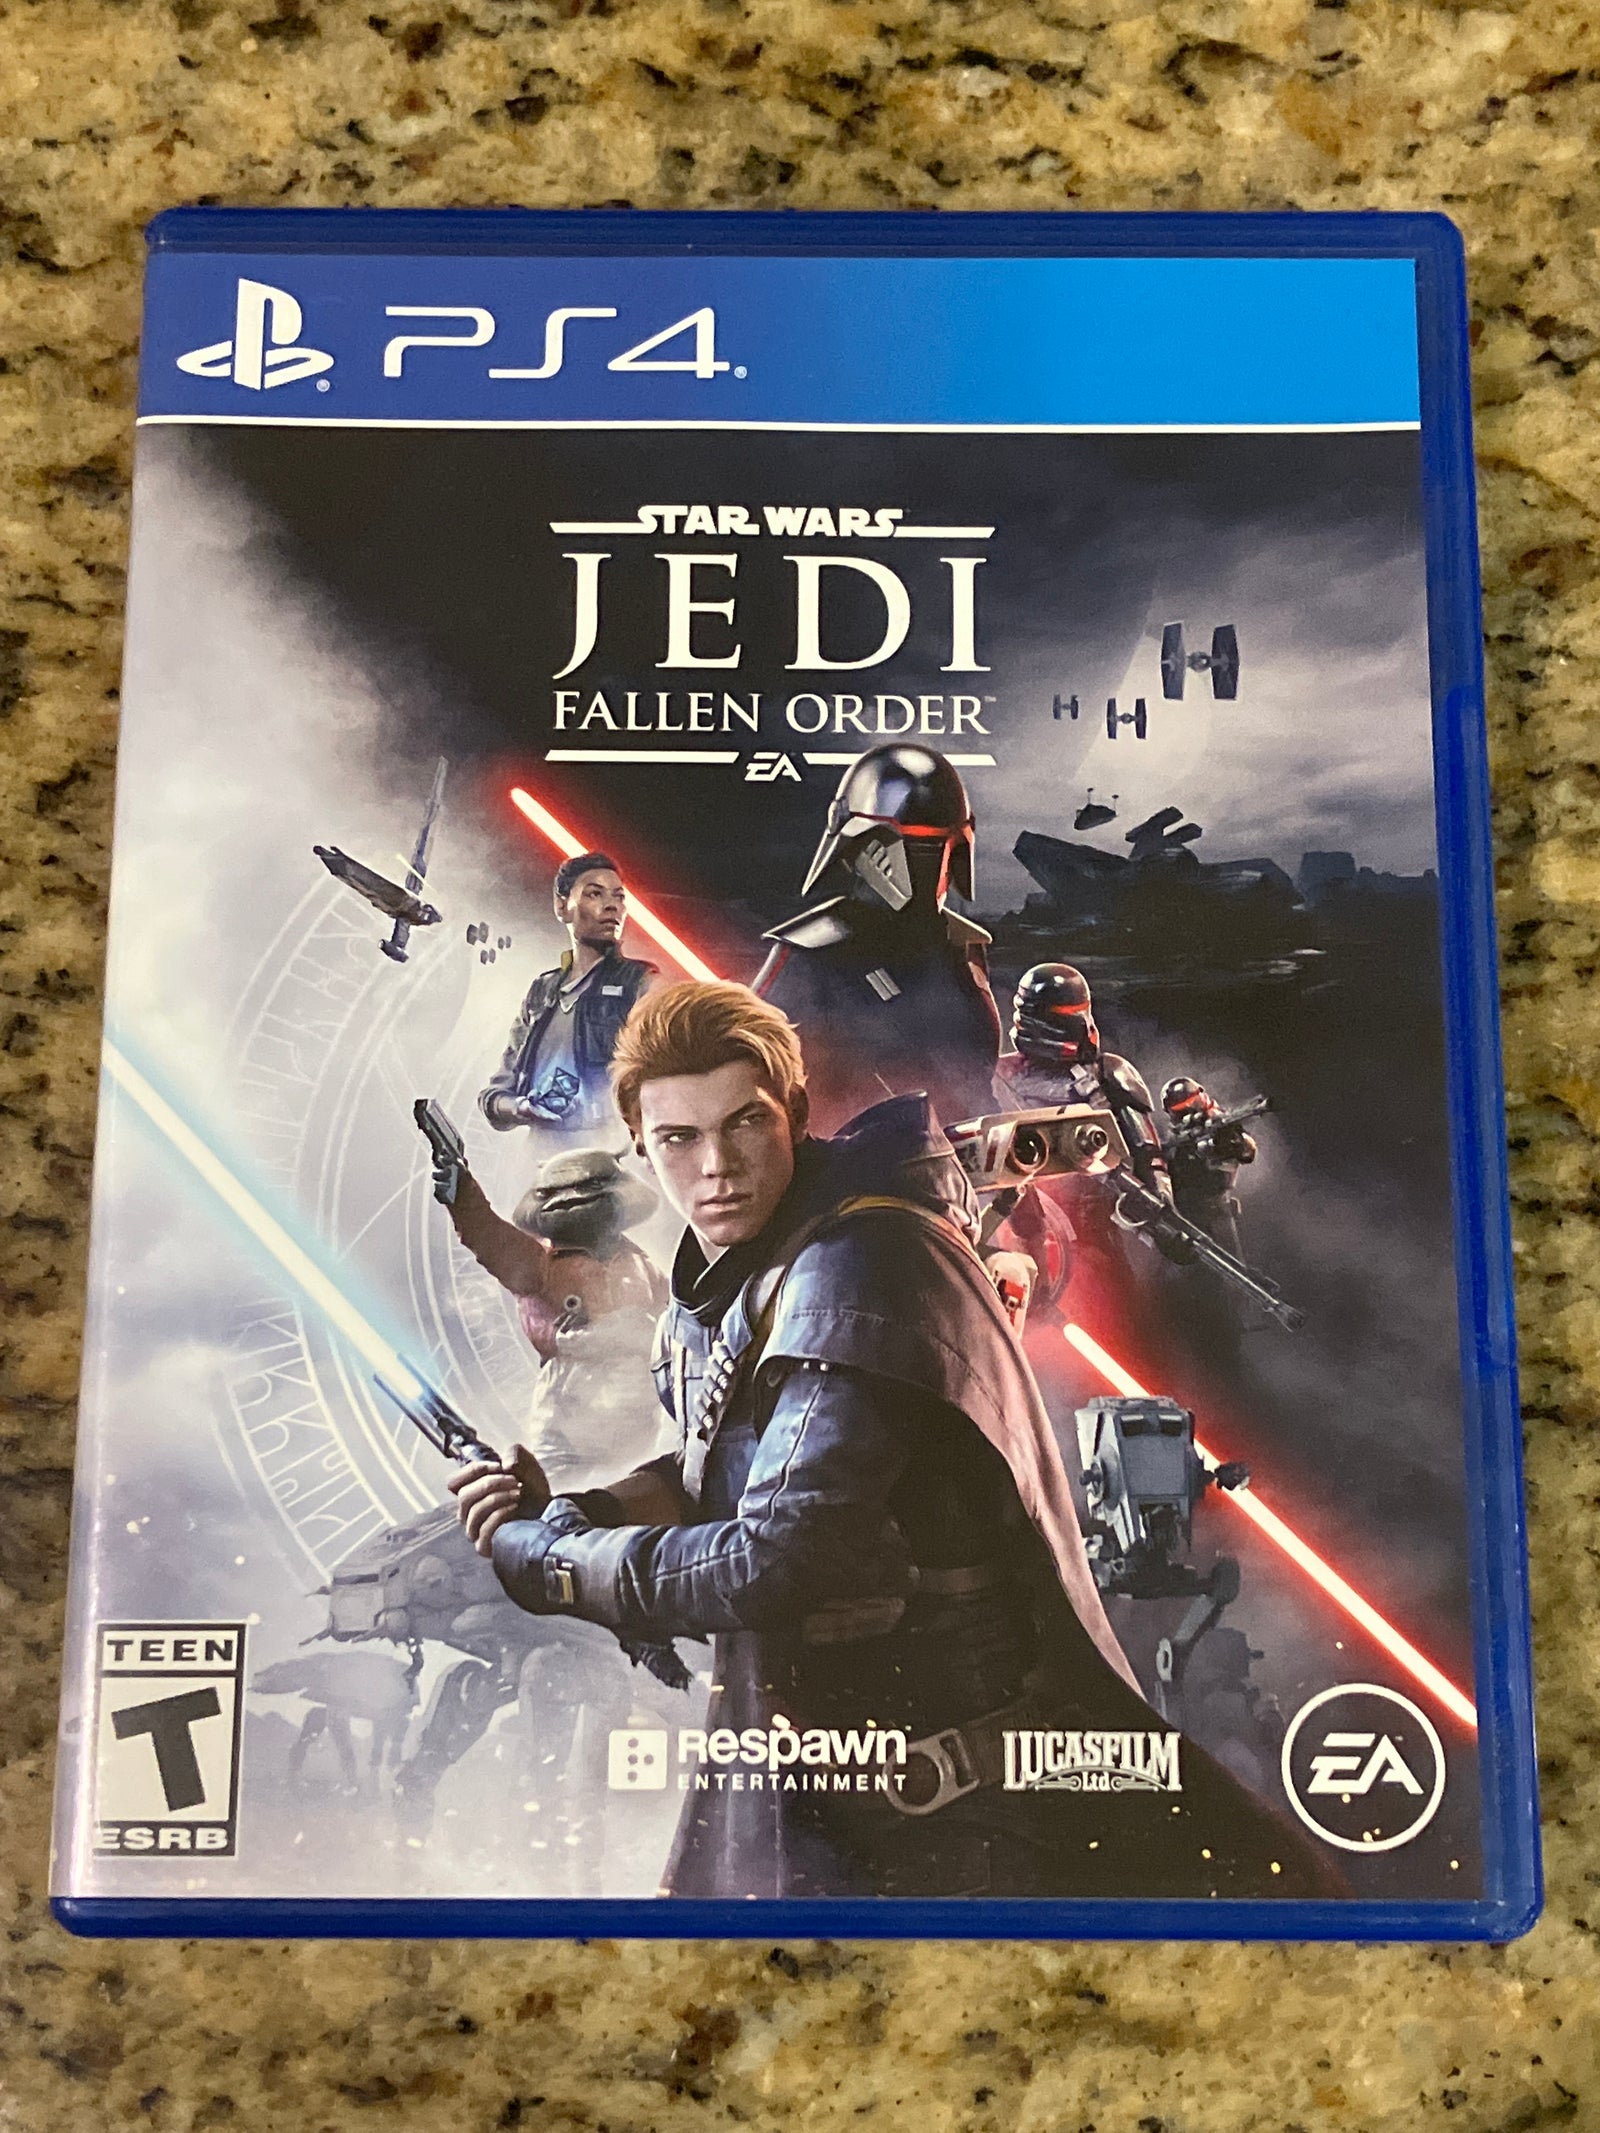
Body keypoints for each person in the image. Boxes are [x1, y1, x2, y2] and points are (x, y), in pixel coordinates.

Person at [449, 981, 1331, 1901]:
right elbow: (724, 1469)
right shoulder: (747, 1276)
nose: (717, 1166)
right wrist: (575, 1509)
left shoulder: (858, 1261)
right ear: (641, 1141)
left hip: (957, 1820)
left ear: (794, 1113)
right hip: (842, 1797)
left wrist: (550, 1559)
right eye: (679, 1138)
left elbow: (776, 1558)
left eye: (745, 1123)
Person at [753, 745, 1001, 1130]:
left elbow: (976, 1080)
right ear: (859, 842)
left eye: (935, 843)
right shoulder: (813, 955)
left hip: (973, 1153)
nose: (924, 863)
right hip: (856, 1158)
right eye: (909, 843)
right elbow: (747, 1074)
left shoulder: (962, 947)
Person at [431, 1141, 671, 1486]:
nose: (571, 1200)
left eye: (588, 1187)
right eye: (556, 1193)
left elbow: (676, 1319)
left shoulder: (641, 1264)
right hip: (569, 1414)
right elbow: (491, 1239)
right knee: (557, 1494)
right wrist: (461, 1192)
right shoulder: (538, 1266)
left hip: (638, 1413)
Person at [480, 851, 657, 1142]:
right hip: (539, 1153)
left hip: (611, 1151)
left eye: (619, 896)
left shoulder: (639, 983)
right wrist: (521, 1108)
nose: (612, 905)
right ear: (562, 906)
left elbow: (666, 1080)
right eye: (595, 894)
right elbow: (496, 1094)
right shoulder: (542, 991)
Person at [1161, 1076, 1259, 1264]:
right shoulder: (1174, 1136)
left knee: (1231, 1268)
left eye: (1193, 1103)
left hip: (1215, 1211)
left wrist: (1230, 1144)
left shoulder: (1220, 1125)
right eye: (1182, 1109)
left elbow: (1248, 1153)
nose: (1191, 1112)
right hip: (1182, 1212)